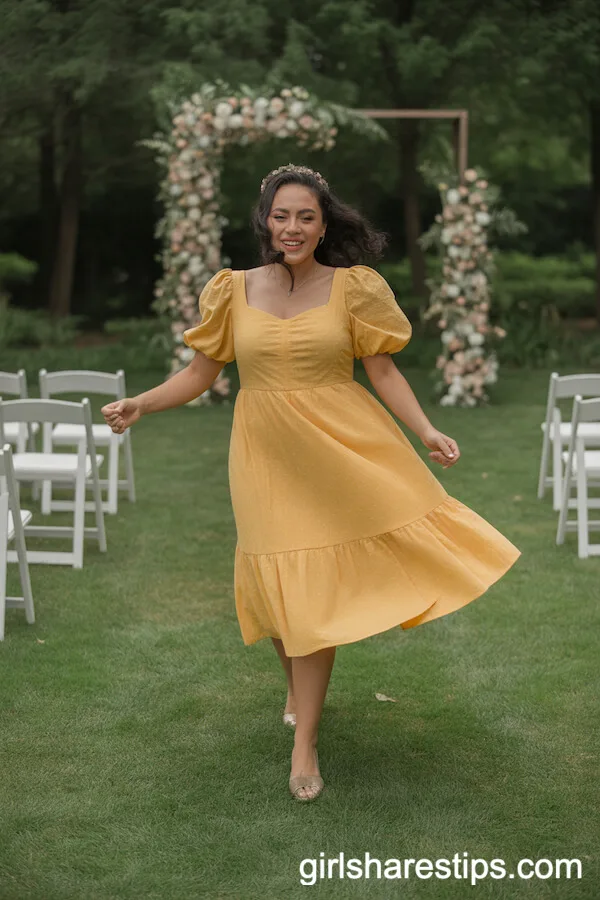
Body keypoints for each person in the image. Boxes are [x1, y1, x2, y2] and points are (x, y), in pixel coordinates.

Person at [101, 163, 521, 803]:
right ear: (265, 222)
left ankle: (305, 745)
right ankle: (296, 691)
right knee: (276, 585)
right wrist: (142, 404)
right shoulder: (233, 289)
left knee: (312, 601)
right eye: (281, 215)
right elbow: (200, 374)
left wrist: (426, 431)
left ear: (324, 225)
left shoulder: (354, 288)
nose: (292, 227)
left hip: (340, 448)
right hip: (264, 455)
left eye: (306, 216)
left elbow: (381, 374)